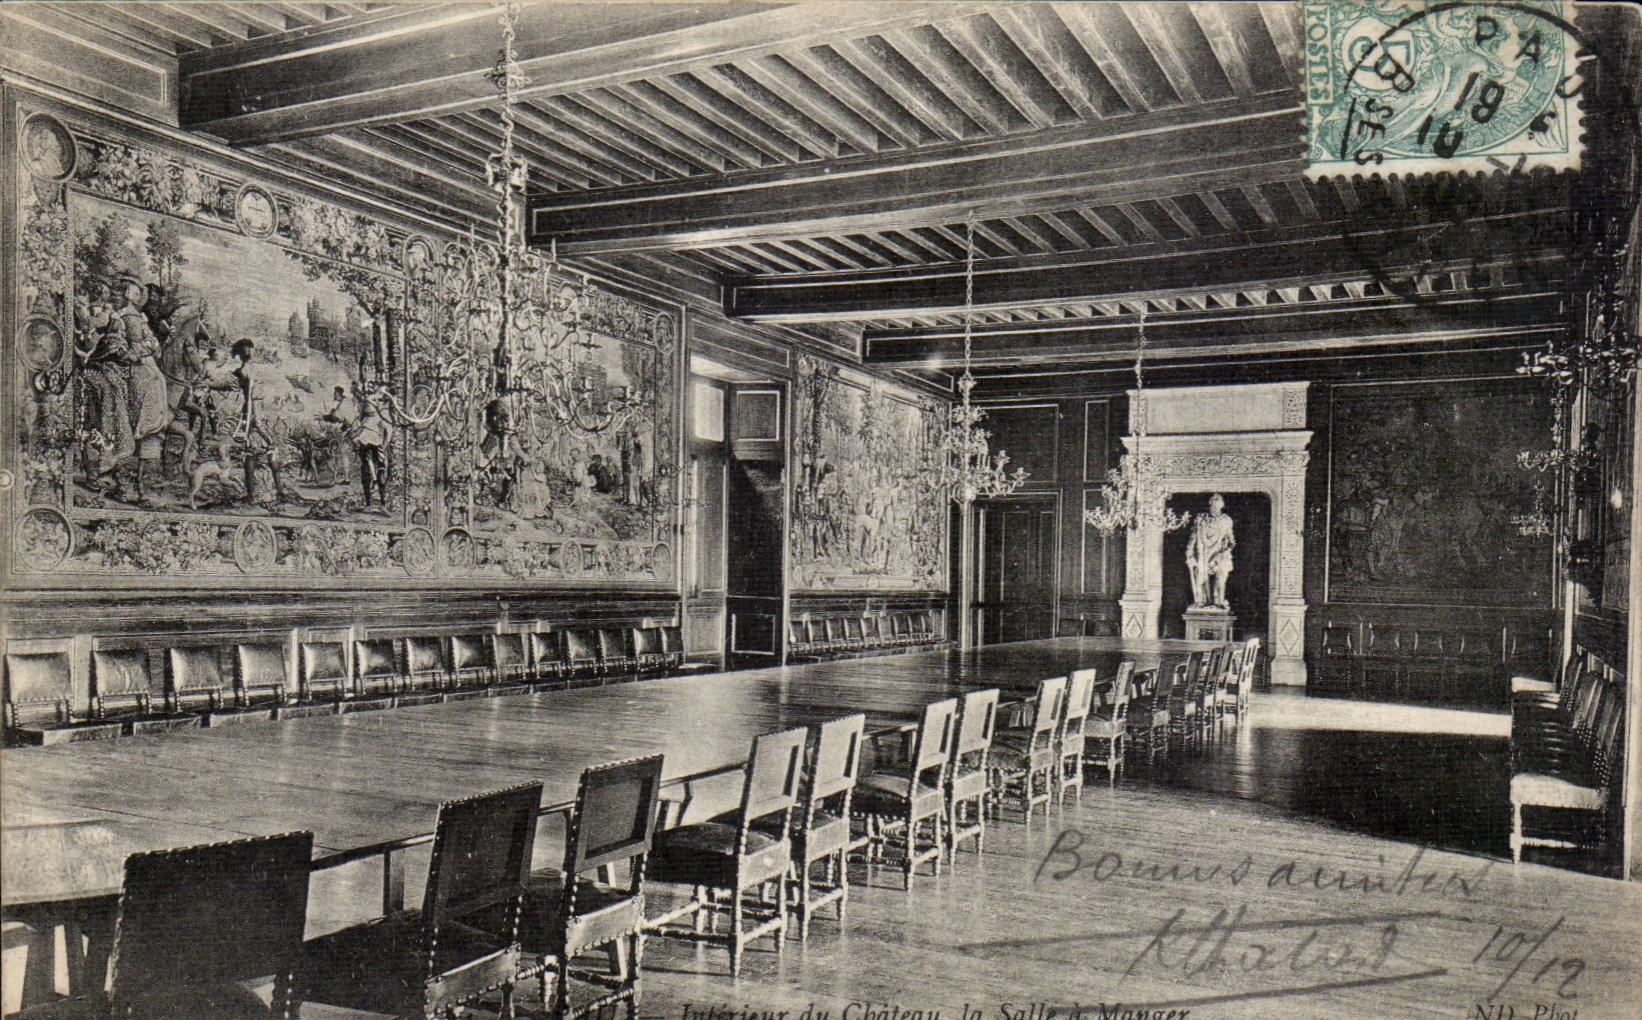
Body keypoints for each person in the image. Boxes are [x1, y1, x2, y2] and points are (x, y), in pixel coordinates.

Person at [1186, 492, 1235, 609]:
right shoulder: (1201, 519)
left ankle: (1219, 602)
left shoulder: (1226, 520)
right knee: (1201, 580)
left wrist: (1220, 555)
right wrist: (1189, 551)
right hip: (1202, 554)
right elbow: (1193, 536)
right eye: (1212, 505)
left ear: (1221, 506)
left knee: (1220, 579)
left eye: (1216, 505)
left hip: (1220, 555)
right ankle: (1202, 602)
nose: (1213, 508)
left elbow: (1232, 543)